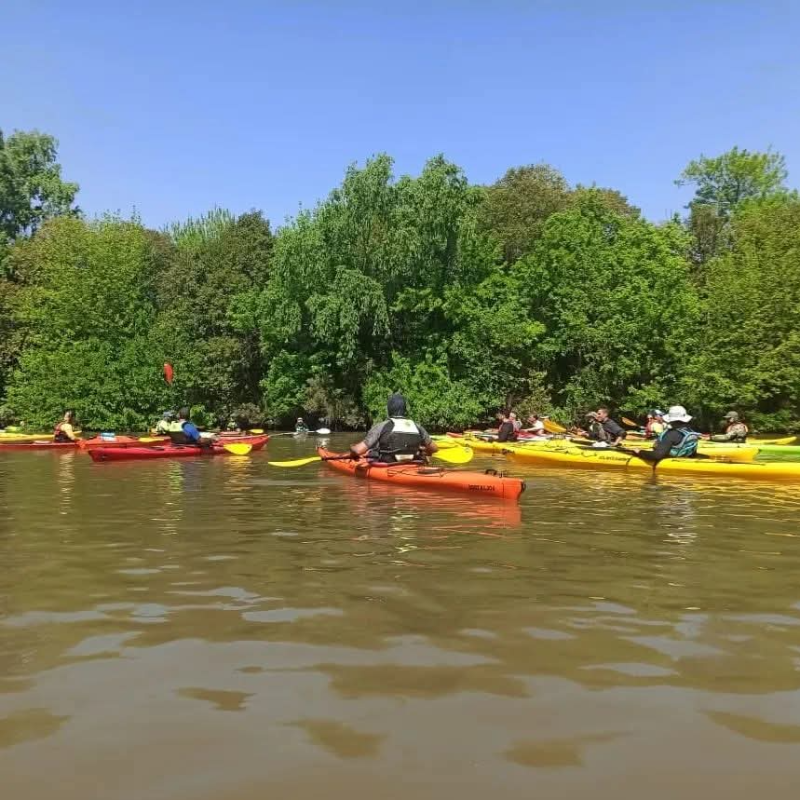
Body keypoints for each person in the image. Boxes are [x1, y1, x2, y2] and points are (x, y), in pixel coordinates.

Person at [350, 393, 437, 463]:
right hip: (412, 463)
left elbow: (358, 451)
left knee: (371, 452)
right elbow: (434, 449)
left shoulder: (381, 426)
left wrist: (352, 448)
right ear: (404, 409)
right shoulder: (417, 427)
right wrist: (422, 449)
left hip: (388, 465)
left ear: (389, 409)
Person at [632, 405, 701, 463]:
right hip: (686, 461)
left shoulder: (671, 434)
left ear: (671, 419)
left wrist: (640, 452)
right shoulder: (691, 432)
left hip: (673, 464)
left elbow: (657, 455)